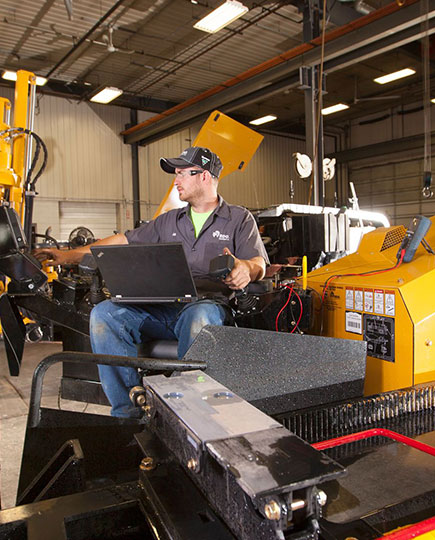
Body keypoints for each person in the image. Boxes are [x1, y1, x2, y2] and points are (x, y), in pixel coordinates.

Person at [36, 146, 268, 417]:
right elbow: (122, 240)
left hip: (206, 306)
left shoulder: (238, 219)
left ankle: (192, 416)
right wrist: (68, 256)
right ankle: (129, 412)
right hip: (162, 307)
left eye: (182, 173)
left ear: (204, 176)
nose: (176, 180)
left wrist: (246, 269)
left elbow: (258, 263)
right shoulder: (169, 221)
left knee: (199, 319)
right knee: (105, 315)